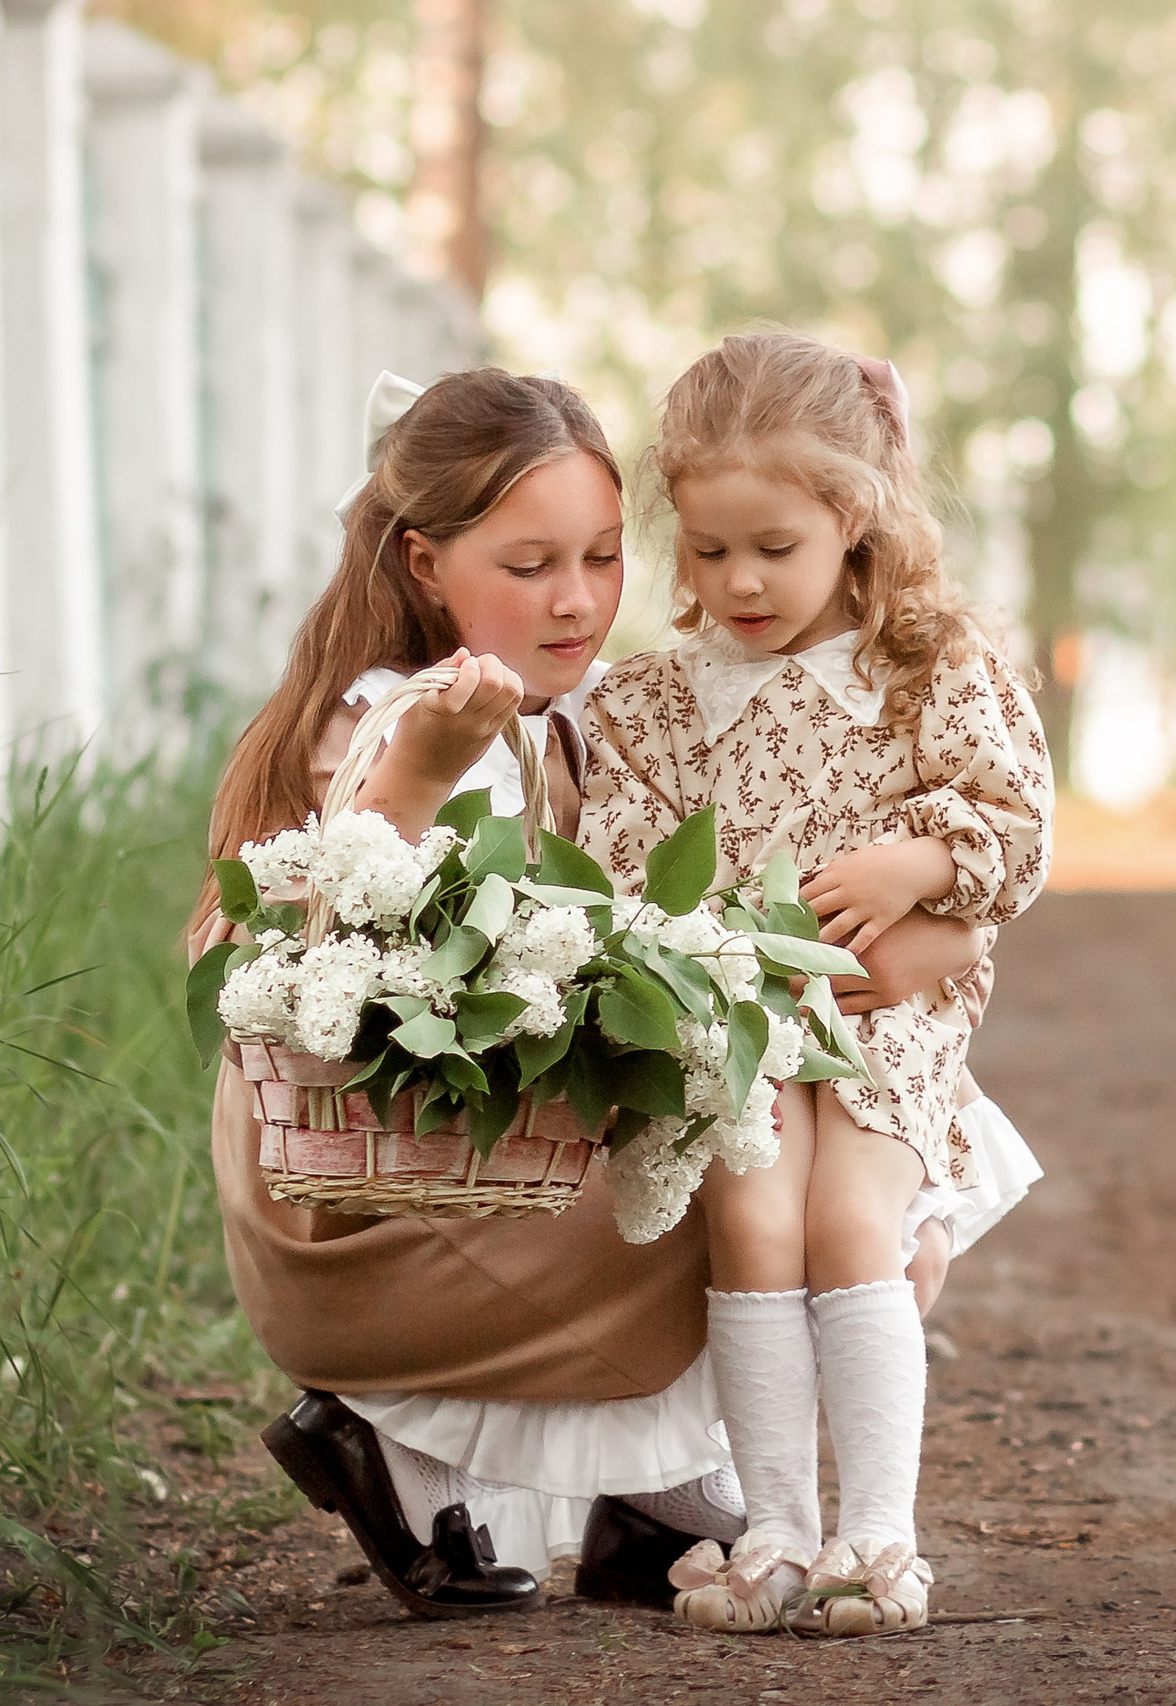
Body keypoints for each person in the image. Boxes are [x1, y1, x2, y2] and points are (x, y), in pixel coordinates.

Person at [187, 367, 993, 1619]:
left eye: (605, 556)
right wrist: (423, 770)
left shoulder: (571, 716)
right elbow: (342, 938)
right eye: (528, 565)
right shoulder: (394, 725)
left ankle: (655, 1492)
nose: (576, 600)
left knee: (855, 1134)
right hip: (383, 1201)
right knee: (767, 1165)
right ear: (422, 565)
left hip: (471, 1154)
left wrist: (920, 922)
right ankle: (402, 1447)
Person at [578, 333, 1055, 1635]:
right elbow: (625, 872)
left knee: (854, 1221)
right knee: (751, 1210)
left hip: (883, 1014)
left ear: (853, 517)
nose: (736, 580)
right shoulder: (652, 706)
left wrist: (919, 860)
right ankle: (776, 1525)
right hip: (738, 1019)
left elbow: (1015, 835)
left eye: (772, 549)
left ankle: (878, 1534)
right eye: (709, 547)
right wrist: (714, 958)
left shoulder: (930, 669)